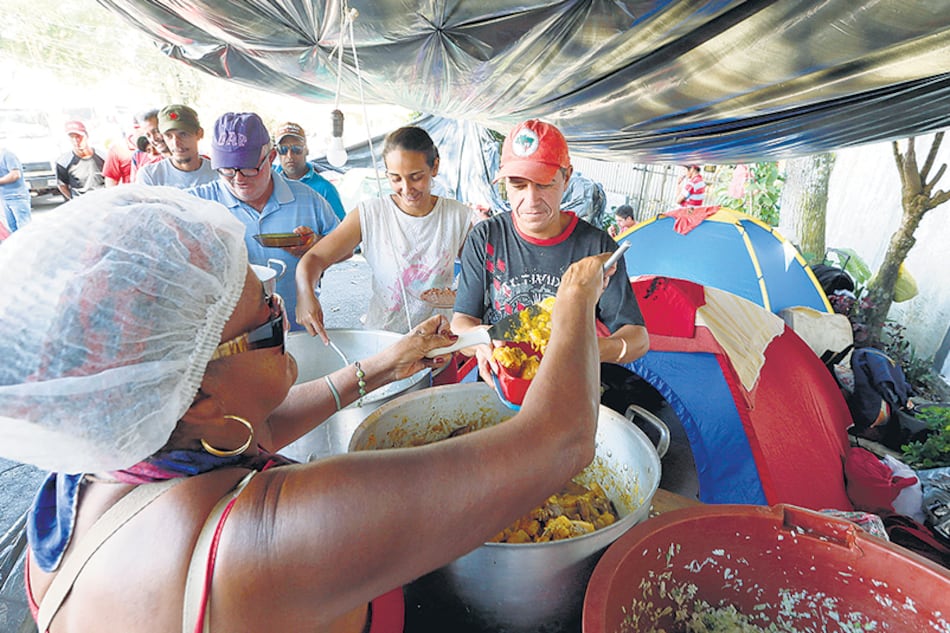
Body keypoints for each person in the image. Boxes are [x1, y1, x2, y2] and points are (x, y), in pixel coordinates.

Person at [0, 185, 608, 633]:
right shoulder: (262, 540)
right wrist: (574, 300)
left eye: (268, 290)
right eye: (264, 323)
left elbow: (249, 432)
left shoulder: (99, 469)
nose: (281, 312)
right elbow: (559, 443)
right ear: (202, 394)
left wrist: (381, 367)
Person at [452, 119, 649, 382]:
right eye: (518, 185)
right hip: (500, 385)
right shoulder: (486, 237)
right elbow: (461, 323)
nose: (531, 200)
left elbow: (637, 338)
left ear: (566, 177)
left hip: (568, 389)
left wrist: (589, 350)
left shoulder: (597, 248)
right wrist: (483, 343)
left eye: (544, 184)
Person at [296, 126, 472, 339]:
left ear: (434, 167)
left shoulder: (457, 217)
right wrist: (306, 294)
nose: (406, 189)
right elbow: (314, 258)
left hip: (439, 341)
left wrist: (459, 297)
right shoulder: (370, 215)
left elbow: (482, 272)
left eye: (416, 177)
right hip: (383, 342)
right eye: (396, 178)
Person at [189, 111, 339, 332]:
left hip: (296, 329)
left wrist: (317, 246)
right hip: (229, 338)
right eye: (228, 170)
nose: (238, 179)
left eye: (249, 168)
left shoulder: (307, 198)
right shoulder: (197, 204)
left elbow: (346, 246)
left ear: (270, 158)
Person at [273, 121, 347, 221]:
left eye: (296, 149)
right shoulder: (268, 183)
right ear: (276, 152)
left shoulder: (325, 189)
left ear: (306, 150)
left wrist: (316, 237)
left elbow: (342, 231)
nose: (289, 156)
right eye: (283, 149)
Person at [136, 105, 217, 188]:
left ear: (199, 133)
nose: (176, 143)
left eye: (183, 134)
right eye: (168, 136)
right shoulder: (150, 176)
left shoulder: (220, 175)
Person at [55, 121, 105, 199]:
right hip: (81, 204)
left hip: (103, 200)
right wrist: (74, 201)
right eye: (72, 137)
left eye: (78, 136)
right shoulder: (63, 162)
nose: (76, 141)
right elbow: (62, 185)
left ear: (86, 136)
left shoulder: (103, 156)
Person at [0, 145, 31, 232]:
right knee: (12, 229)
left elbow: (15, 175)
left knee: (24, 228)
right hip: (4, 198)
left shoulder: (7, 155)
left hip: (17, 197)